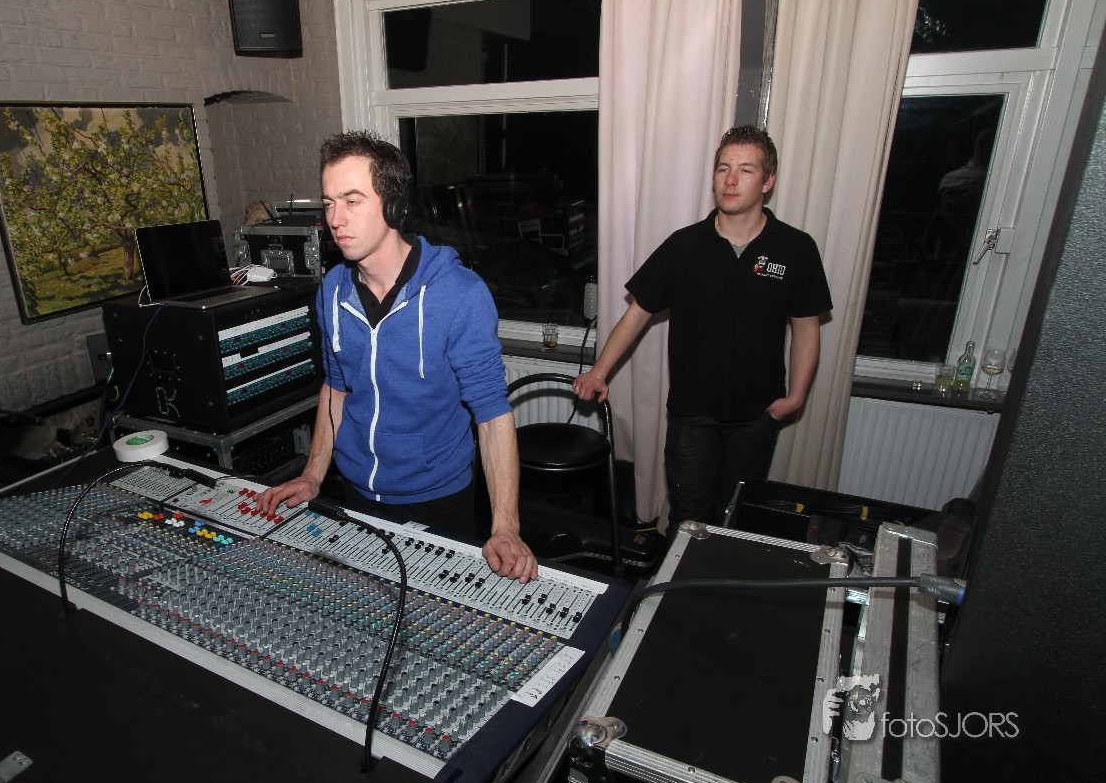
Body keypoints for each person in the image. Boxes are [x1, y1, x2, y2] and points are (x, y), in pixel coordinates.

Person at [258, 131, 538, 582]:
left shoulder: (459, 294)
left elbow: (491, 414)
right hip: (353, 492)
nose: (336, 219)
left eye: (352, 201)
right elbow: (335, 388)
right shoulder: (331, 292)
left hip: (437, 499)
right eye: (329, 204)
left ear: (394, 207)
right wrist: (313, 474)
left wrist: (505, 526)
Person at [573, 125, 832, 526]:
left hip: (757, 414)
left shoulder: (796, 248)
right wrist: (599, 372)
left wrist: (796, 396)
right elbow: (637, 314)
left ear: (768, 181)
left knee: (733, 518)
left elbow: (806, 328)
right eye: (723, 168)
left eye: (746, 170)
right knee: (688, 520)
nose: (731, 180)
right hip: (691, 413)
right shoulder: (684, 245)